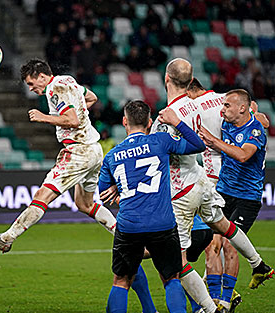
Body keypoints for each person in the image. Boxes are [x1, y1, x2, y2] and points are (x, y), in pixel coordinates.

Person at [0, 59, 158, 313]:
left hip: (77, 152)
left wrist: (44, 117)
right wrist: (77, 114)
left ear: (41, 76)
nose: (31, 88)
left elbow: (72, 120)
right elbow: (92, 98)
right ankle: (126, 237)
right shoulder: (68, 81)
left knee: (43, 194)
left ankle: (7, 238)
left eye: (31, 83)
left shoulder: (55, 89)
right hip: (94, 150)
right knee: (84, 204)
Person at [151, 58, 273, 313]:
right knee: (221, 233)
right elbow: (252, 110)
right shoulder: (216, 101)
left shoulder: (170, 116)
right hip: (208, 183)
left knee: (181, 259)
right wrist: (257, 115)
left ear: (166, 79)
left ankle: (209, 306)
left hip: (186, 189)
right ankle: (255, 265)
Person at [100, 100, 205, 313]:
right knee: (172, 278)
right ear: (149, 122)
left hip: (129, 225)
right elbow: (198, 145)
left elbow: (104, 195)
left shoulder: (111, 155)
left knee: (121, 281)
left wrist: (121, 189)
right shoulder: (161, 141)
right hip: (163, 223)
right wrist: (177, 122)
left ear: (124, 122)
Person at [187, 79, 269, 311]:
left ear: (242, 108)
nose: (221, 111)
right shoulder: (228, 117)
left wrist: (214, 141)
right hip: (223, 191)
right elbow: (254, 110)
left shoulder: (253, 130)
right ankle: (216, 300)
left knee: (231, 245)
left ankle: (225, 299)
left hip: (247, 197)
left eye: (227, 107)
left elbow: (243, 155)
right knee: (213, 244)